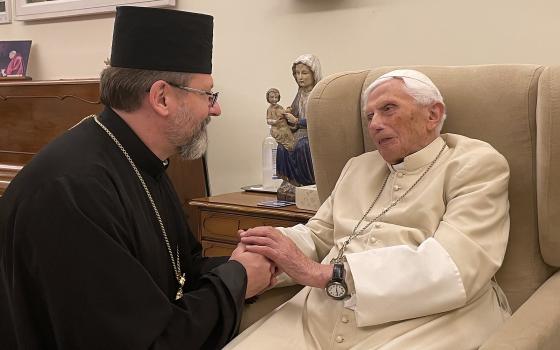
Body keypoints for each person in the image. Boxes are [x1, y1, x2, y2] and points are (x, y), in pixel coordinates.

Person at [0, 6, 274, 350]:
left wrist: (252, 259)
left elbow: (179, 272)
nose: (215, 109)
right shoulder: (74, 191)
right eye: (208, 95)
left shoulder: (140, 159)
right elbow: (143, 341)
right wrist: (239, 278)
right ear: (162, 98)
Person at [225, 69, 511, 349]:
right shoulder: (358, 167)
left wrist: (322, 274)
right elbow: (317, 235)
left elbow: (457, 264)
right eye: (370, 116)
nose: (374, 124)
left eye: (388, 109)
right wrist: (271, 246)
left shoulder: (475, 163)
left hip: (427, 320)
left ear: (432, 114)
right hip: (320, 315)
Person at [276, 54, 322, 196]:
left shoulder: (319, 94)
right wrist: (286, 116)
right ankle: (290, 181)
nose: (300, 77)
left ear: (314, 74)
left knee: (302, 145)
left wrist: (297, 121)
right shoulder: (300, 94)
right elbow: (295, 115)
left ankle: (307, 182)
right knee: (283, 144)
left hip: (314, 133)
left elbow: (319, 121)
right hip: (300, 131)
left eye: (304, 73)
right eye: (297, 73)